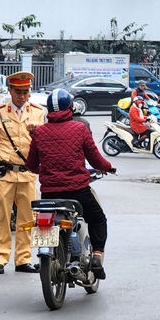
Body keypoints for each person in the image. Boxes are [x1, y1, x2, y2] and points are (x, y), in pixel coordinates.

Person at [26, 89, 116, 280]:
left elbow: (31, 165)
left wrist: (44, 173)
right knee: (98, 218)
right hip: (78, 191)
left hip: (49, 195)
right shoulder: (80, 128)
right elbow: (96, 159)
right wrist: (109, 167)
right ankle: (97, 256)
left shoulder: (39, 132)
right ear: (70, 107)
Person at [0, 71, 46, 274]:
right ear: (9, 90)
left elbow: (44, 146)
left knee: (28, 218)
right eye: (18, 92)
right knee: (1, 218)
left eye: (26, 92)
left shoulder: (38, 113)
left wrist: (37, 133)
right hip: (5, 175)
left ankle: (23, 259)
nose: (23, 96)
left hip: (27, 174)